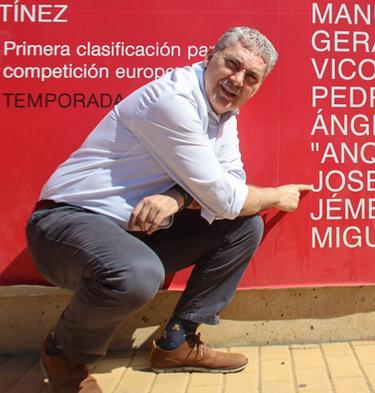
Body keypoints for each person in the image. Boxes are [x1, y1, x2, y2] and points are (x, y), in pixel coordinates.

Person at [26, 26, 311, 393]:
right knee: (136, 273)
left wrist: (176, 197)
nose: (237, 80)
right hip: (67, 223)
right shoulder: (174, 100)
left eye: (251, 77)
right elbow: (226, 198)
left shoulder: (223, 114)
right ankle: (65, 355)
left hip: (131, 231)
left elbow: (232, 181)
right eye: (232, 64)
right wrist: (276, 196)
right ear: (210, 56)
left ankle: (176, 343)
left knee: (243, 228)